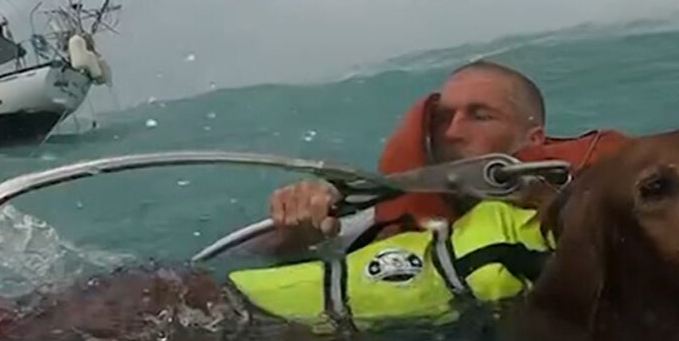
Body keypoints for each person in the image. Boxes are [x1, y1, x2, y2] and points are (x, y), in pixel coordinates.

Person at [257, 59, 627, 256]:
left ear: (534, 139)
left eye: (480, 115)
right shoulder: (371, 220)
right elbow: (267, 262)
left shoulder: (588, 207)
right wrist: (295, 236)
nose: (451, 132)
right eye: (443, 118)